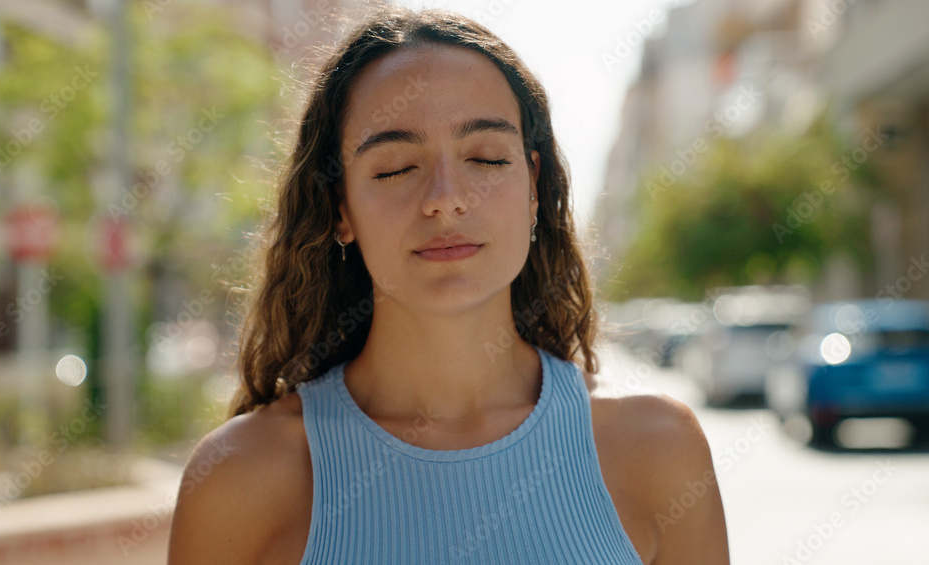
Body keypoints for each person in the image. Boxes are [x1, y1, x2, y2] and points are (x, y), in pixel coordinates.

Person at [167, 5, 729, 564]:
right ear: (340, 207)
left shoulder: (658, 449)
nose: (445, 197)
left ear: (533, 186)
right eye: (393, 168)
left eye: (485, 158)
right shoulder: (238, 478)